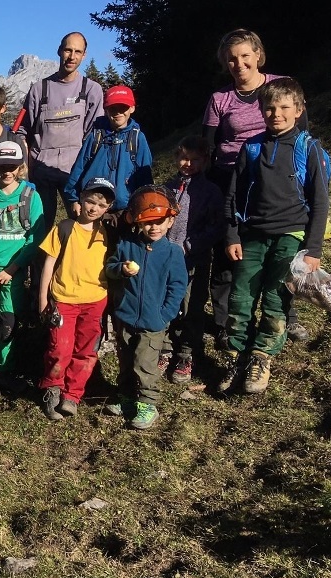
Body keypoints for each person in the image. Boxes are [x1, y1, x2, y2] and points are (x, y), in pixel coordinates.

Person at [221, 78, 330, 394]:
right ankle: (236, 358)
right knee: (240, 300)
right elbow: (233, 194)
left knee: (274, 300)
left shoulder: (309, 148)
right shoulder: (251, 147)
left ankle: (261, 358)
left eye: (284, 108)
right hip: (252, 235)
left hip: (292, 237)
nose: (276, 114)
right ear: (260, 110)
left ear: (298, 110)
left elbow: (320, 200)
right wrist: (231, 235)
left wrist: (313, 248)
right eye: (269, 107)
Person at [202, 28, 307, 344]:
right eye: (231, 59)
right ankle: (225, 322)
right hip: (228, 178)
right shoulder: (220, 99)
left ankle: (287, 319)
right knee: (226, 254)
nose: (239, 63)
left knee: (281, 253)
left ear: (258, 55)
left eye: (245, 55)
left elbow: (301, 137)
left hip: (274, 180)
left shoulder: (282, 87)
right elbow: (208, 145)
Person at [104, 187, 188, 429]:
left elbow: (177, 287)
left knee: (145, 363)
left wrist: (165, 315)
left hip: (154, 321)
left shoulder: (172, 252)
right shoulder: (126, 245)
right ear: (138, 223)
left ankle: (147, 403)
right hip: (126, 316)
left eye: (160, 222)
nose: (154, 228)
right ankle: (128, 397)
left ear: (171, 220)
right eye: (148, 223)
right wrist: (120, 269)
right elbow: (110, 268)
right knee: (126, 360)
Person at [0, 142, 48, 400]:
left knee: (8, 324)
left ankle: (4, 370)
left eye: (12, 167)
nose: (7, 171)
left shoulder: (30, 197)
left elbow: (35, 238)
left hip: (12, 274)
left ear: (20, 167)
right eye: (2, 166)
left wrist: (12, 269)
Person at [37, 177, 114, 419]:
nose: (93, 208)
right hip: (64, 300)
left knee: (86, 351)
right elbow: (48, 264)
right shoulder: (64, 227)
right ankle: (53, 389)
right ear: (80, 199)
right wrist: (43, 301)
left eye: (100, 205)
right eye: (89, 201)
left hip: (95, 301)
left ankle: (73, 395)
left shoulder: (109, 233)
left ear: (108, 208)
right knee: (59, 348)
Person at [20, 32, 106, 224]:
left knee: (81, 222)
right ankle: (41, 255)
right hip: (40, 170)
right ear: (59, 51)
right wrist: (25, 171)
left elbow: (94, 136)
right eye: (68, 50)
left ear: (84, 55)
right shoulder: (39, 89)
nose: (72, 56)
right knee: (39, 225)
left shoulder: (91, 90)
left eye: (78, 52)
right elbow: (23, 132)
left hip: (74, 171)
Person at [162, 136, 225, 385]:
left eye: (195, 159)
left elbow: (216, 226)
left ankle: (186, 353)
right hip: (166, 257)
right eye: (184, 158)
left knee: (192, 306)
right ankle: (165, 348)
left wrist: (190, 245)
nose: (188, 163)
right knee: (165, 301)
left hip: (194, 260)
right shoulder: (167, 187)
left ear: (205, 160)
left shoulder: (210, 191)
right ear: (177, 158)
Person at [63, 84, 153, 217]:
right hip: (93, 206)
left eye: (123, 108)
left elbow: (145, 176)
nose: (118, 112)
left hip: (125, 210)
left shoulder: (137, 138)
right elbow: (79, 168)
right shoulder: (95, 136)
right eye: (113, 108)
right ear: (106, 110)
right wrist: (74, 199)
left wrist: (143, 205)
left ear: (132, 108)